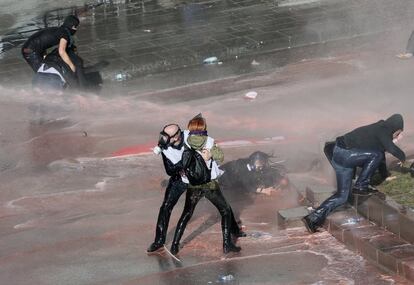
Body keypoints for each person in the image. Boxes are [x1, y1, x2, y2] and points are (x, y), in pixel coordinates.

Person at [303, 114, 407, 233]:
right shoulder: (383, 129)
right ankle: (361, 185)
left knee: (342, 196)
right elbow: (391, 149)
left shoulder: (381, 133)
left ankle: (312, 219)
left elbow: (381, 159)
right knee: (375, 155)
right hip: (344, 153)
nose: (397, 136)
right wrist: (403, 158)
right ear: (394, 127)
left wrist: (385, 175)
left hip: (341, 157)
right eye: (398, 133)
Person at [170, 114, 243, 255]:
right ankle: (227, 245)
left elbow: (180, 164)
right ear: (203, 128)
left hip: (193, 185)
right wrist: (210, 154)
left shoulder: (185, 142)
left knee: (186, 214)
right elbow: (220, 157)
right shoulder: (209, 141)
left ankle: (174, 245)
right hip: (209, 185)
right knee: (225, 211)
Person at [147, 124, 189, 253]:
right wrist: (184, 163)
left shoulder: (191, 138)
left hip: (198, 178)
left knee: (220, 202)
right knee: (165, 207)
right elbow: (170, 170)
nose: (163, 139)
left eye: (167, 137)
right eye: (163, 135)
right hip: (179, 179)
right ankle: (159, 240)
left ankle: (233, 228)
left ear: (177, 136)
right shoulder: (165, 148)